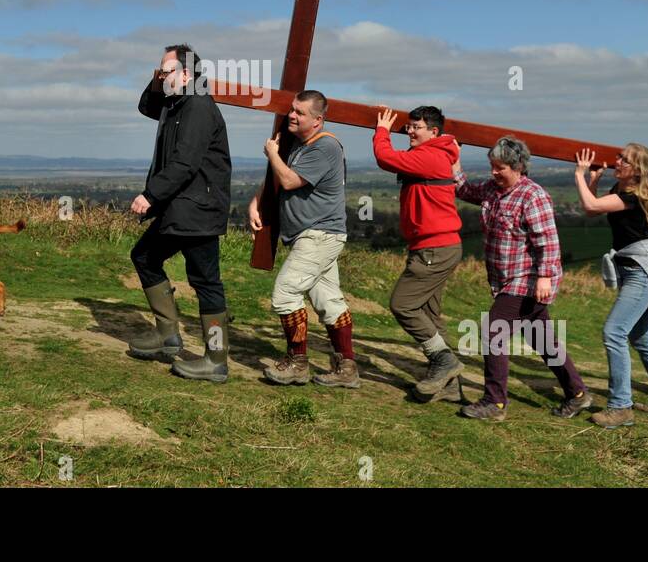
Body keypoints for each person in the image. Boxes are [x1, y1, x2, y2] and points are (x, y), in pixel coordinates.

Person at [453, 136, 590, 421]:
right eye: (492, 166)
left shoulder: (532, 196)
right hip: (505, 278)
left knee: (493, 331)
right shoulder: (493, 190)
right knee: (541, 338)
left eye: (499, 167)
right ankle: (577, 393)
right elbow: (465, 190)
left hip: (525, 279)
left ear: (517, 167)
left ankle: (495, 402)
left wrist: (544, 278)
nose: (493, 172)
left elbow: (548, 242)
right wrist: (455, 159)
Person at [126, 44, 233, 383]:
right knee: (144, 256)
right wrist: (159, 75)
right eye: (161, 71)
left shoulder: (198, 107)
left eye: (167, 71)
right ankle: (167, 335)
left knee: (206, 283)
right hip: (181, 208)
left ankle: (216, 359)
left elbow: (186, 162)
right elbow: (146, 105)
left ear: (186, 75)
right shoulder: (175, 104)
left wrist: (150, 194)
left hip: (198, 210)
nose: (162, 77)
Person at [250, 90, 357, 388]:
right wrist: (256, 200)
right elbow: (281, 179)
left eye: (300, 113)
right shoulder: (301, 145)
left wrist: (272, 154)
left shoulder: (325, 147)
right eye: (292, 110)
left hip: (319, 234)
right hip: (313, 235)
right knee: (328, 301)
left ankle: (297, 363)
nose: (292, 116)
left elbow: (288, 179)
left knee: (285, 294)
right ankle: (347, 368)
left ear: (318, 120)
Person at [574, 144, 648, 428]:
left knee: (614, 332)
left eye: (624, 159)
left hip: (639, 273)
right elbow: (592, 212)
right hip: (632, 269)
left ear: (636, 170)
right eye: (619, 156)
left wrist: (579, 173)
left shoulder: (633, 195)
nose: (617, 161)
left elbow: (590, 205)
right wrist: (594, 180)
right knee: (643, 339)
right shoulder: (620, 189)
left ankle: (620, 406)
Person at [372, 105, 465, 403]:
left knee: (403, 305)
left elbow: (386, 158)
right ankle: (451, 387)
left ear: (434, 132)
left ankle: (444, 361)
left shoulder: (431, 155)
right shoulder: (438, 152)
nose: (410, 131)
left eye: (417, 127)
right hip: (436, 246)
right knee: (430, 315)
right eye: (409, 126)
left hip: (434, 248)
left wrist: (383, 131)